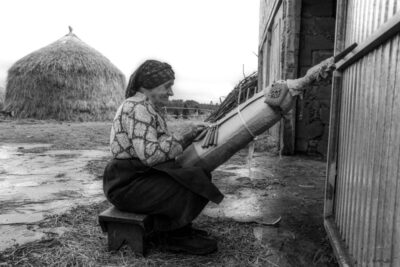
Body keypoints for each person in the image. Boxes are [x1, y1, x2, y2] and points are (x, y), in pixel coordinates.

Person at [103, 59, 224, 255]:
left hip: (138, 177)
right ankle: (172, 237)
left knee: (195, 176)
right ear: (148, 86)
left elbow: (154, 148)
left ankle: (177, 229)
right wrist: (185, 137)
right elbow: (150, 155)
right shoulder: (136, 108)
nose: (171, 93)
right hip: (126, 184)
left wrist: (188, 137)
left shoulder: (145, 107)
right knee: (190, 184)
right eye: (167, 87)